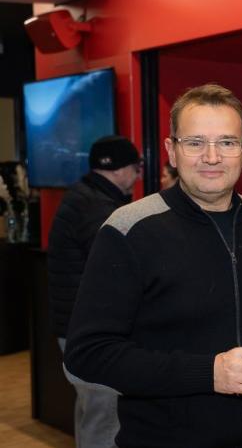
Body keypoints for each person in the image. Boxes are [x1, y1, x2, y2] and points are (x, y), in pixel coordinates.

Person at [64, 84, 242, 448]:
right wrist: (210, 373)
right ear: (171, 151)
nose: (212, 157)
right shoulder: (129, 229)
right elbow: (88, 353)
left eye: (227, 142)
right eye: (195, 142)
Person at [47, 135, 142, 448]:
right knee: (105, 417)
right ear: (118, 170)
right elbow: (116, 273)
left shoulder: (82, 196)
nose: (138, 175)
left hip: (73, 326)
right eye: (136, 167)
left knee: (92, 413)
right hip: (91, 330)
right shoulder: (99, 208)